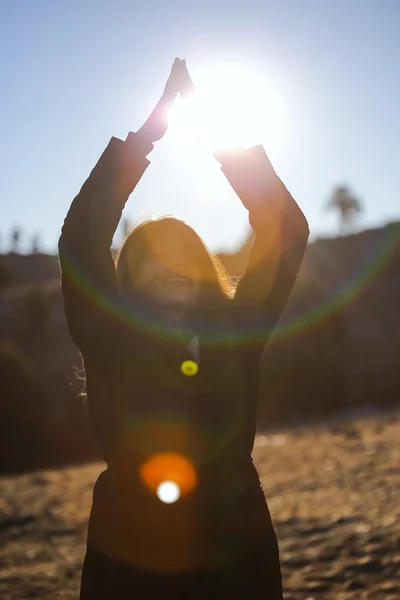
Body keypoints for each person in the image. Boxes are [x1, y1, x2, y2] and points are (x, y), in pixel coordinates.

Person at [59, 58, 309, 599]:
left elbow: (285, 228)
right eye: (151, 255)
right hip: (131, 551)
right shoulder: (108, 338)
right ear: (127, 276)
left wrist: (216, 137)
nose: (169, 265)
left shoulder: (238, 331)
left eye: (183, 252)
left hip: (235, 548)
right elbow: (81, 238)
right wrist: (147, 137)